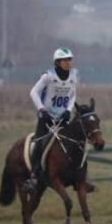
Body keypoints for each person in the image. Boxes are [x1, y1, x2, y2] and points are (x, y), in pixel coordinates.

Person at [24, 47, 89, 193]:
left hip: (62, 118)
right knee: (40, 144)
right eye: (65, 60)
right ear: (58, 62)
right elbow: (33, 92)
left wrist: (68, 111)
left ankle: (81, 177)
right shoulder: (48, 76)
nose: (68, 63)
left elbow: (72, 95)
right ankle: (34, 177)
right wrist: (42, 109)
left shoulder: (73, 76)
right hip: (46, 118)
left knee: (77, 142)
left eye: (70, 60)